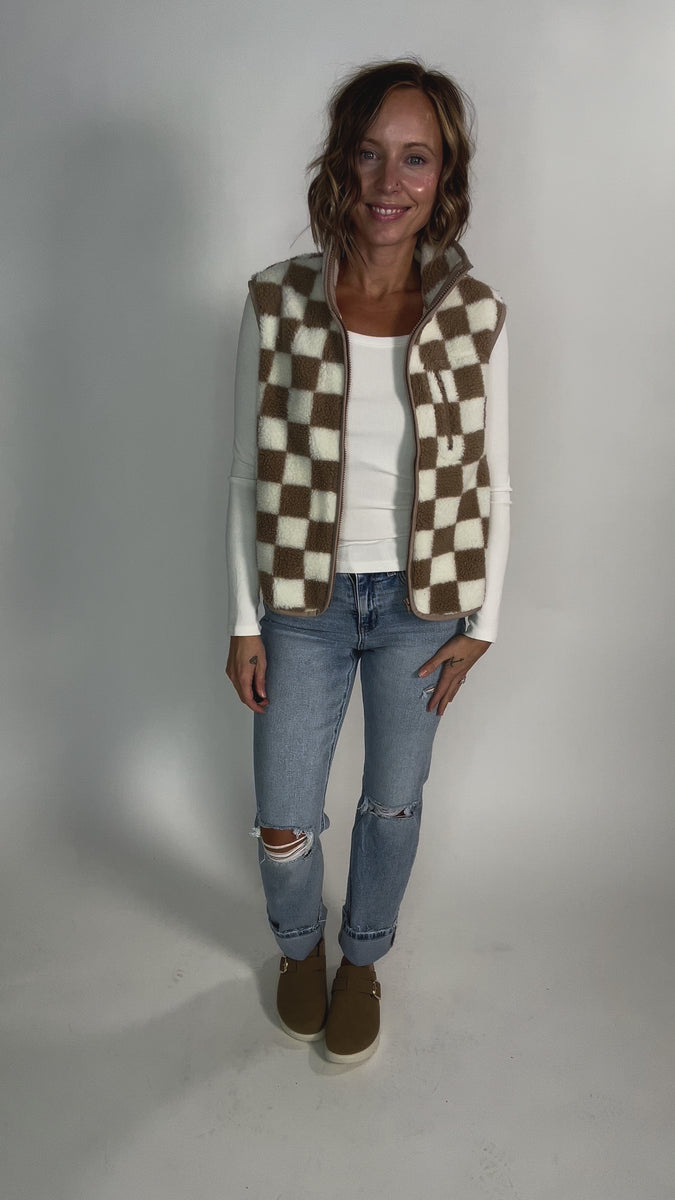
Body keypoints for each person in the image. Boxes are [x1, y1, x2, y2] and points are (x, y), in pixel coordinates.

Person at [225, 59, 510, 1064]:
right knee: (283, 817)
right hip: (301, 604)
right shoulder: (277, 300)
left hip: (421, 608)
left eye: (416, 158)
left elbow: (497, 481)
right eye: (370, 153)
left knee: (391, 803)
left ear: (444, 178)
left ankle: (363, 958)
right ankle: (299, 946)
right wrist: (245, 619)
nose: (391, 181)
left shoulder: (474, 313)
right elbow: (246, 474)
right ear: (340, 164)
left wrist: (484, 624)